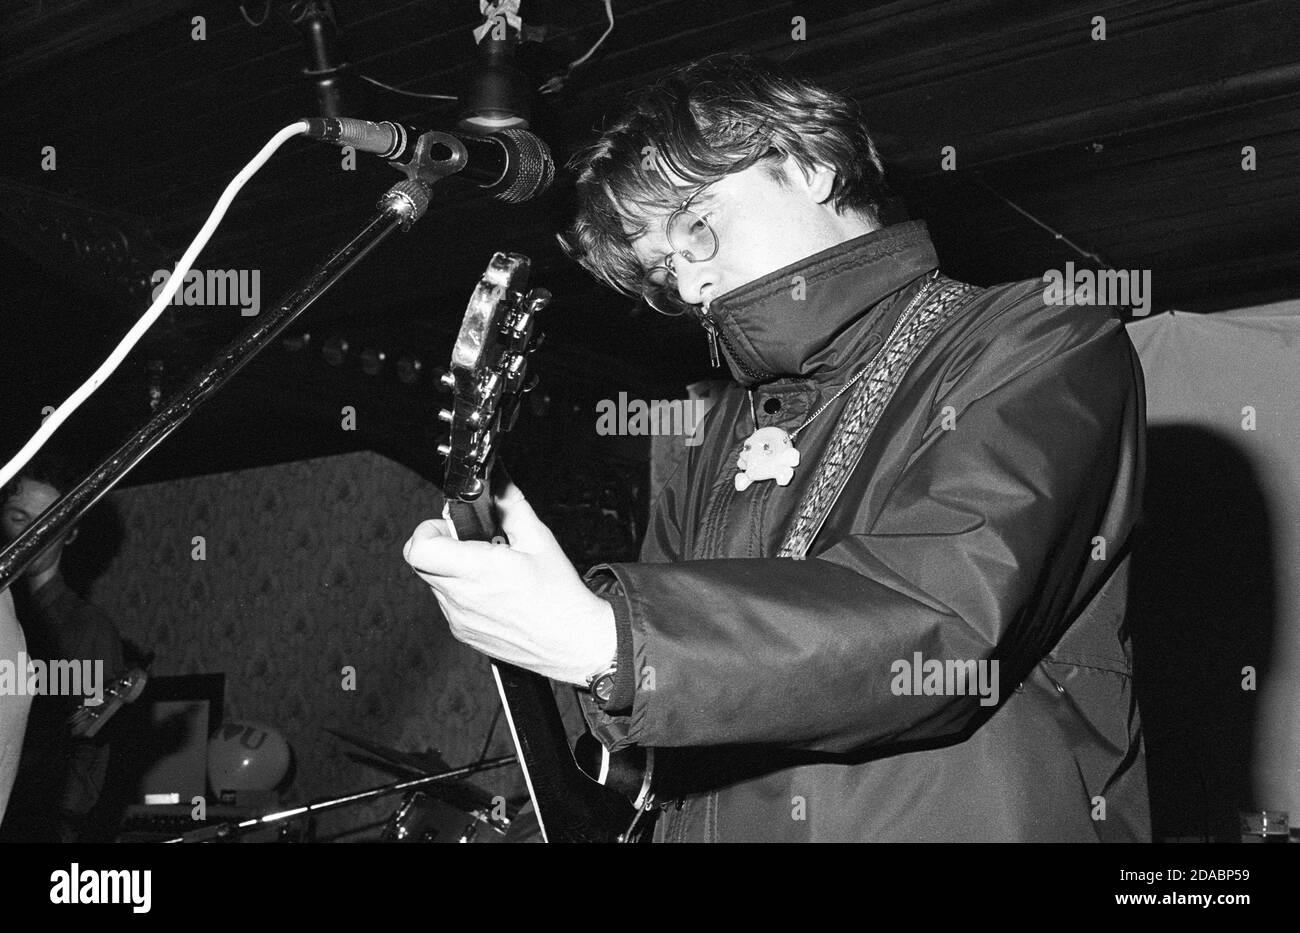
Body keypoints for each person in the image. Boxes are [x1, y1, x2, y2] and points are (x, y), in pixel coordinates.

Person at [403, 54, 1150, 842]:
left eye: (696, 223)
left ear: (813, 165)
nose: (688, 289)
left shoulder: (1042, 338)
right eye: (660, 270)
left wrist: (610, 638)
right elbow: (679, 748)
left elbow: (947, 622)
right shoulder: (703, 432)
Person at [0, 454, 125, 842]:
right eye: (19, 518)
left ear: (70, 533)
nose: (30, 536)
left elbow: (85, 752)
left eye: (48, 524)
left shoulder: (88, 629)